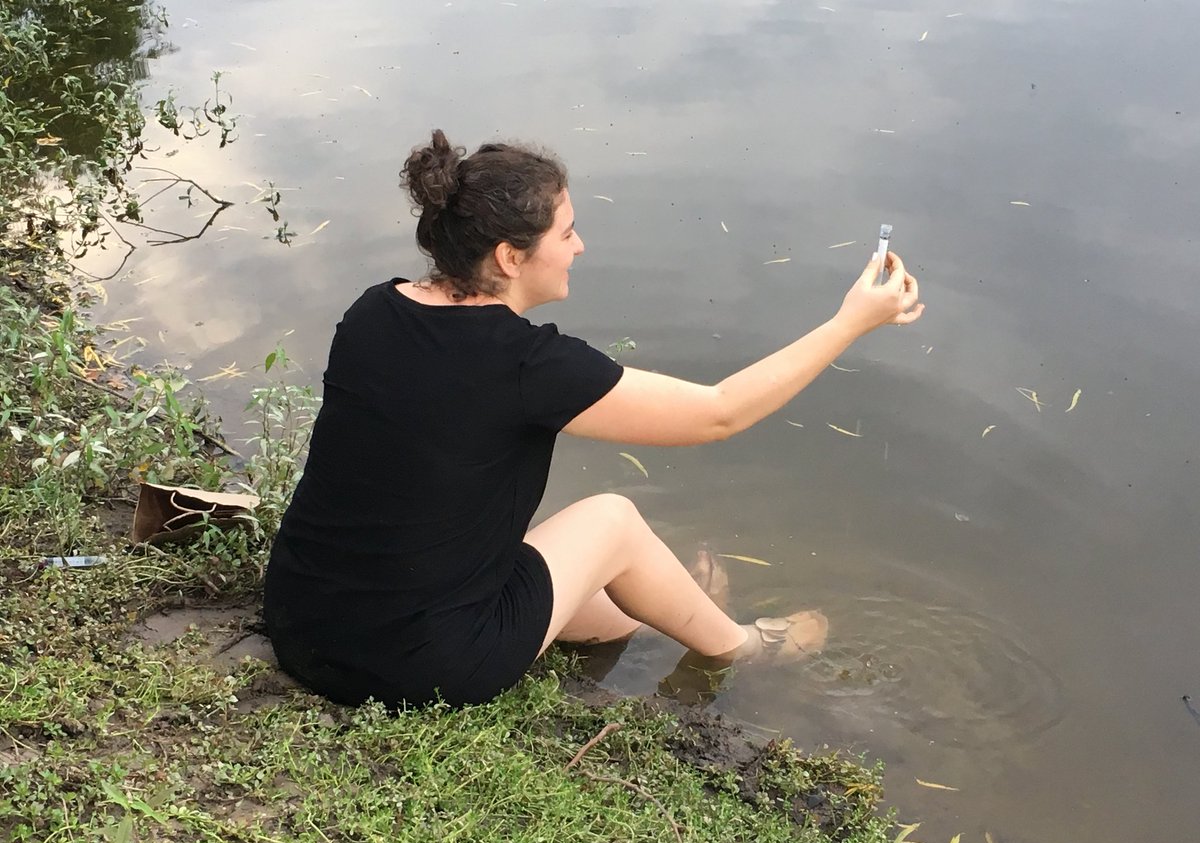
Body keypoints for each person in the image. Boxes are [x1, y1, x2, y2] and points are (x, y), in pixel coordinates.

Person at [263, 129, 922, 709]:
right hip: (418, 666)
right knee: (611, 522)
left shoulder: (374, 311)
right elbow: (719, 414)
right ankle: (743, 647)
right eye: (567, 232)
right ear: (509, 257)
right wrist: (850, 322)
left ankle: (665, 608)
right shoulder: (527, 366)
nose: (581, 246)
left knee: (607, 604)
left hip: (304, 624)